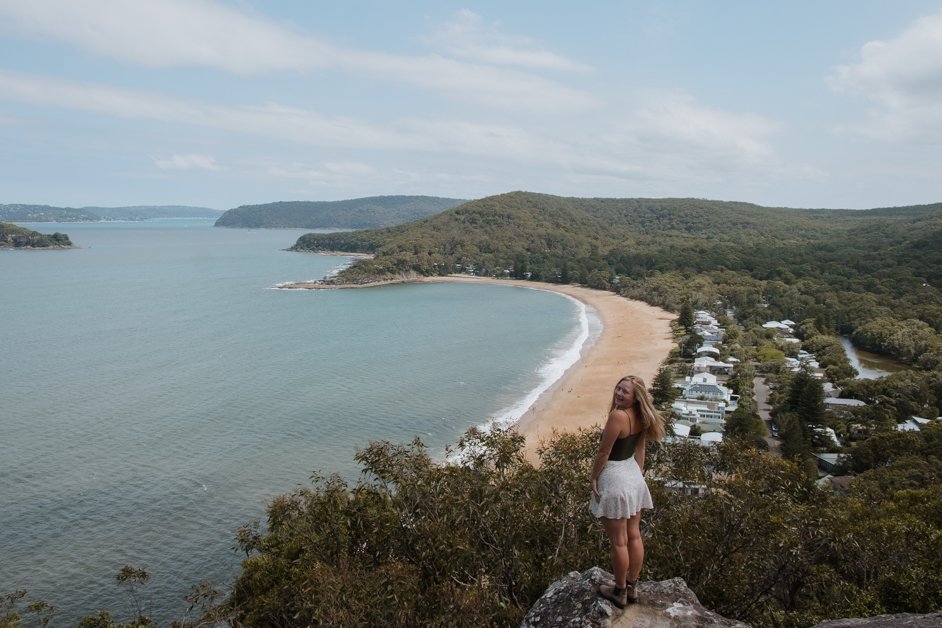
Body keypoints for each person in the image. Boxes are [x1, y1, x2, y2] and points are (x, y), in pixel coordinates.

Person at [590, 374, 665, 607]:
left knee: (619, 541)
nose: (619, 394)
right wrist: (637, 477)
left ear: (635, 397)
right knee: (634, 534)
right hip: (632, 475)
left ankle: (620, 590)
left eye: (625, 392)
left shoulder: (618, 416)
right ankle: (632, 586)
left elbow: (604, 453)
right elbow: (640, 448)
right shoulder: (643, 416)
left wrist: (593, 477)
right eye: (618, 389)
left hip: (615, 477)